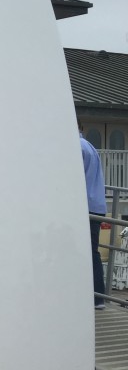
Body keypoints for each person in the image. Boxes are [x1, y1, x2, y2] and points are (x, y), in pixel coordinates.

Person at [81, 131, 107, 309]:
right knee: (91, 252)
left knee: (89, 252)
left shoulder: (76, 147)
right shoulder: (87, 145)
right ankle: (97, 297)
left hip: (86, 206)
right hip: (95, 204)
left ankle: (97, 298)